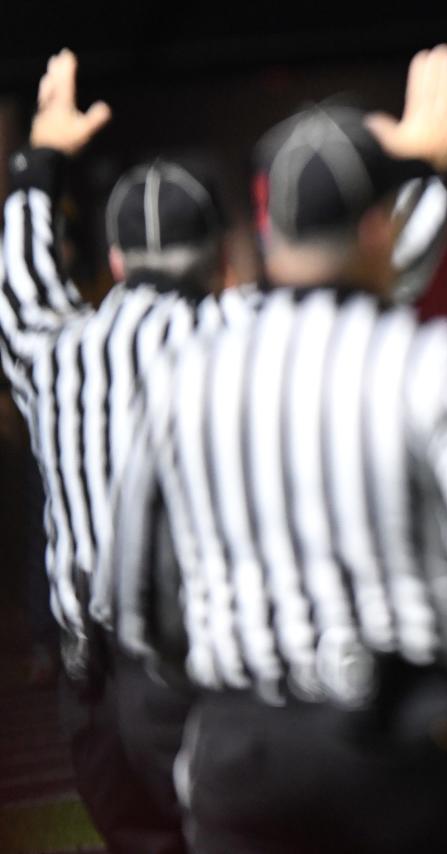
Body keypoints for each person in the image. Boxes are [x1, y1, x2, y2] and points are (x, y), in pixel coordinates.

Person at [103, 45, 447, 854]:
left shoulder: (182, 375)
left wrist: (221, 688)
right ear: (380, 228)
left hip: (241, 749)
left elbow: (133, 594)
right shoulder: (429, 366)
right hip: (402, 742)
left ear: (265, 233)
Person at [0, 49, 258, 853]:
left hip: (96, 680)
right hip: (212, 667)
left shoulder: (53, 354)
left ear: (113, 261)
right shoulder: (237, 334)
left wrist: (39, 160)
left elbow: (18, 281)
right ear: (218, 256)